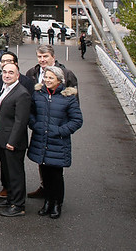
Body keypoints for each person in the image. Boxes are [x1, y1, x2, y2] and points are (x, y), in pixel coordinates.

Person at [28, 65, 83, 219]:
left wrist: (60, 131)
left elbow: (77, 120)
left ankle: (57, 203)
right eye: (45, 77)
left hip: (57, 142)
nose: (47, 80)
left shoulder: (68, 97)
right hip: (41, 139)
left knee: (56, 176)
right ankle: (47, 201)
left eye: (51, 78)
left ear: (59, 80)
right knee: (44, 173)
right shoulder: (38, 94)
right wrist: (35, 125)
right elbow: (31, 113)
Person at [0, 62, 31, 217]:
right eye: (4, 72)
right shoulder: (6, 88)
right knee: (8, 172)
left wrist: (12, 142)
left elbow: (21, 121)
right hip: (3, 138)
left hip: (13, 142)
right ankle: (11, 198)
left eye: (11, 72)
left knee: (16, 174)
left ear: (17, 75)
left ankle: (18, 205)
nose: (7, 75)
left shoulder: (22, 93)